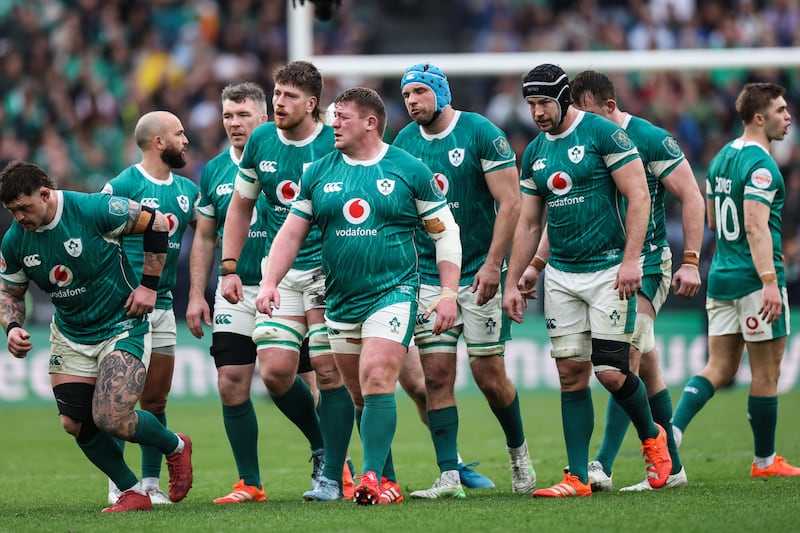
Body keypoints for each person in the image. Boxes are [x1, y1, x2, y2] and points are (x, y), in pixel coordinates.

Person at [257, 87, 462, 506]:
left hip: (393, 292)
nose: (334, 123)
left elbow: (447, 235)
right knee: (358, 394)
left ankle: (368, 476)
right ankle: (386, 479)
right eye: (334, 117)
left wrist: (447, 293)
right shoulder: (317, 171)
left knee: (376, 376)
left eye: (343, 117)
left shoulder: (409, 169)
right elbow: (291, 234)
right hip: (340, 299)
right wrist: (270, 281)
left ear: (370, 122)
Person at [503, 64, 672, 498]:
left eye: (544, 102)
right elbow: (527, 223)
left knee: (612, 372)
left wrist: (632, 259)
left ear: (563, 98)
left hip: (609, 271)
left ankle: (653, 438)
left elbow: (639, 195)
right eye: (531, 104)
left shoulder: (603, 133)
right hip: (562, 275)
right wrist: (516, 278)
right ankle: (577, 476)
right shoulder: (537, 150)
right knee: (570, 375)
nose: (537, 112)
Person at [0, 161, 193, 513]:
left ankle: (175, 446)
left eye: (25, 208)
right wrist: (12, 327)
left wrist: (149, 286)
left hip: (121, 324)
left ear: (44, 194)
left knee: (111, 418)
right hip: (71, 334)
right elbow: (9, 292)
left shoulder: (91, 208)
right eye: (12, 212)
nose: (20, 218)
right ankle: (131, 490)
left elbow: (158, 222)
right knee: (74, 423)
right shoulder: (15, 240)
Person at [392, 63, 534, 499]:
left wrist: (494, 266)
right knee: (436, 376)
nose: (412, 101)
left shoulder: (480, 132)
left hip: (478, 273)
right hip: (431, 277)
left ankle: (518, 455)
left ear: (440, 91)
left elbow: (511, 203)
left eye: (419, 92)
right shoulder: (404, 142)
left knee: (489, 375)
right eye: (406, 95)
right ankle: (448, 474)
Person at [564, 70, 705, 491]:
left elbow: (692, 196)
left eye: (589, 114)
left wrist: (692, 260)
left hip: (647, 264)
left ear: (610, 107)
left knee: (620, 359)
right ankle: (673, 468)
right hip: (602, 267)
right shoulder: (581, 143)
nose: (582, 124)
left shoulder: (650, 138)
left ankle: (602, 465)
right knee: (648, 368)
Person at [220, 61, 350, 501]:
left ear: (312, 105)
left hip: (332, 270)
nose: (278, 102)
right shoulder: (261, 140)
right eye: (276, 94)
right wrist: (231, 266)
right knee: (275, 372)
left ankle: (341, 474)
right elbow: (241, 205)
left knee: (333, 374)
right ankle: (323, 449)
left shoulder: (336, 140)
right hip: (284, 272)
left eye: (289, 96)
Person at [671, 82, 800, 477]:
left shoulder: (723, 156)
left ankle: (671, 432)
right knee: (766, 373)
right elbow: (755, 226)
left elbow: (713, 220)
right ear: (759, 118)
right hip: (753, 280)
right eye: (780, 110)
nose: (788, 116)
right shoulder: (762, 167)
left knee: (720, 367)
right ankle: (764, 462)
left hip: (721, 275)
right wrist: (767, 281)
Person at [101, 111, 199, 505]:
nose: (186, 139)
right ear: (159, 142)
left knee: (155, 401)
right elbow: (100, 240)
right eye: (179, 133)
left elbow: (207, 239)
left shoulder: (189, 190)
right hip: (125, 307)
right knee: (117, 398)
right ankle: (120, 485)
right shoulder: (123, 185)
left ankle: (152, 484)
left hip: (164, 305)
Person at [185, 82, 272, 503]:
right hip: (234, 289)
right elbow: (204, 237)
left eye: (242, 115)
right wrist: (197, 294)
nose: (234, 124)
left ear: (264, 118)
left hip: (288, 288)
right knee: (231, 383)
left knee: (309, 381)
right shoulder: (216, 170)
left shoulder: (286, 159)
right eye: (228, 116)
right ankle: (250, 482)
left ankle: (334, 467)